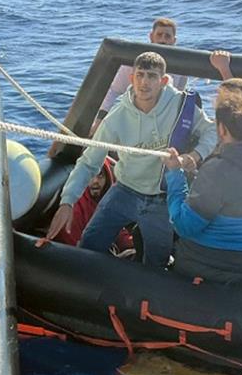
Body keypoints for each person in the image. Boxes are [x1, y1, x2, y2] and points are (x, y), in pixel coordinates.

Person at [46, 52, 216, 267]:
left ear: (163, 81)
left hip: (161, 197)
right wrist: (67, 201)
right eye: (140, 75)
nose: (145, 82)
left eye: (152, 76)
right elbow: (89, 161)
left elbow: (212, 131)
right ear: (131, 78)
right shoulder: (116, 117)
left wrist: (195, 155)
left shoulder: (181, 106)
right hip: (124, 190)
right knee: (89, 243)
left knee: (157, 262)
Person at [164, 94, 242, 284]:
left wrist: (175, 174)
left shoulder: (216, 169)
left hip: (197, 270)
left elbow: (184, 226)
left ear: (222, 129)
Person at [94, 18, 187, 123]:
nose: (163, 40)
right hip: (132, 118)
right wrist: (99, 119)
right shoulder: (133, 62)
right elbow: (113, 92)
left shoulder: (181, 68)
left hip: (163, 121)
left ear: (174, 40)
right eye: (159, 35)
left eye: (167, 36)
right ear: (151, 36)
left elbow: (179, 99)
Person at [53, 156, 132, 253]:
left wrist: (130, 247)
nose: (95, 181)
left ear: (107, 178)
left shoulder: (109, 202)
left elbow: (119, 232)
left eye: (100, 176)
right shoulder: (76, 211)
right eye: (91, 176)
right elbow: (74, 252)